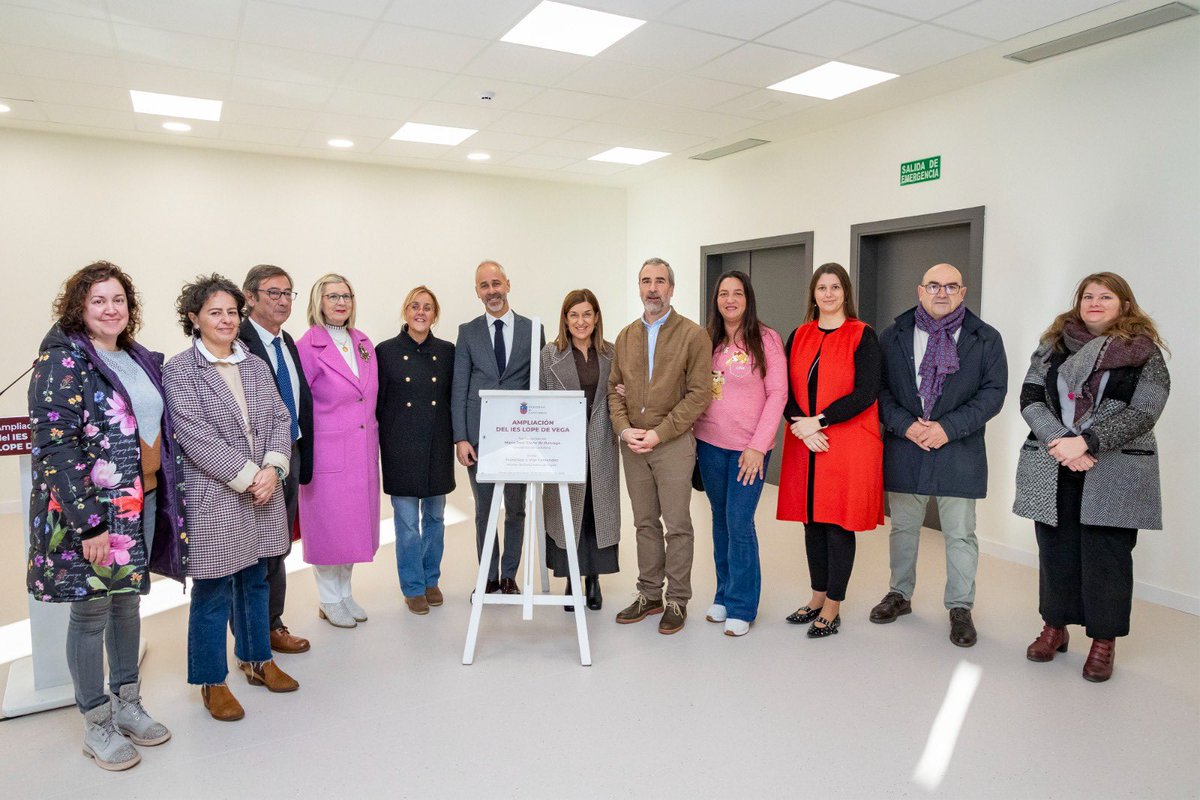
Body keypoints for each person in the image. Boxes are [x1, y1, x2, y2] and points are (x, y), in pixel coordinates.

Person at [27, 261, 186, 770]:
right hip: (95, 512)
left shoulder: (134, 356)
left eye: (118, 299)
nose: (110, 308)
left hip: (142, 499)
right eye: (98, 300)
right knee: (92, 611)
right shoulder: (63, 360)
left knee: (127, 605)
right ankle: (96, 721)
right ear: (79, 306)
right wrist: (89, 524)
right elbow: (55, 448)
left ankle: (128, 703)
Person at [1014, 272, 1169, 682]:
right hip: (1053, 460)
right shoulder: (1053, 345)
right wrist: (1063, 441)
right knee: (1055, 550)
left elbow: (1144, 412)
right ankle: (1055, 627)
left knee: (1108, 557)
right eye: (1088, 296)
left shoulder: (1144, 353)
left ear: (1124, 305)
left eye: (1105, 296)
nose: (1095, 302)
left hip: (1114, 466)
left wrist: (1087, 443)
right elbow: (1030, 398)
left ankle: (1103, 641)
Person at [163, 274, 299, 723]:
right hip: (215, 497)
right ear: (194, 318)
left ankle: (258, 660)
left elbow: (280, 418)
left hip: (263, 492)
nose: (225, 320)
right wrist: (249, 476)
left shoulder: (254, 364)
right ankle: (211, 681)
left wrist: (274, 468)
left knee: (256, 581)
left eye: (230, 312)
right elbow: (194, 436)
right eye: (214, 312)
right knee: (213, 589)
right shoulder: (180, 370)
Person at [870, 263, 1008, 647]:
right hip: (906, 445)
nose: (941, 292)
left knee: (961, 534)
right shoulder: (893, 335)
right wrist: (908, 426)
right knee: (903, 528)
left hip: (959, 449)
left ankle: (960, 607)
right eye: (934, 285)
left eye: (951, 286)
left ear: (963, 293)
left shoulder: (986, 338)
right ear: (920, 290)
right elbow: (878, 391)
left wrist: (947, 428)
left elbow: (993, 393)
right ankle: (899, 594)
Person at [777, 263, 883, 638]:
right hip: (806, 440)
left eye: (835, 287)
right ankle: (817, 595)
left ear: (845, 293)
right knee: (812, 521)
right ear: (813, 294)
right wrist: (800, 426)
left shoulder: (862, 334)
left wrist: (818, 421)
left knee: (837, 522)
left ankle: (834, 605)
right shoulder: (799, 335)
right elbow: (782, 389)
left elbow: (866, 391)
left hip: (845, 441)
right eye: (821, 287)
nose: (828, 294)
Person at [609, 257, 711, 635]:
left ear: (672, 288)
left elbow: (700, 395)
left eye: (660, 281)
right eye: (646, 281)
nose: (653, 288)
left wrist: (659, 433)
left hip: (671, 444)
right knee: (644, 523)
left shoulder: (693, 335)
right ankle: (649, 594)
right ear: (639, 287)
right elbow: (613, 391)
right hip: (634, 445)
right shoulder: (625, 337)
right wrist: (624, 429)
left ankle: (677, 600)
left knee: (678, 524)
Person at [692, 271, 786, 637]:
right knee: (719, 520)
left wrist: (757, 447)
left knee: (739, 522)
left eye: (737, 293)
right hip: (710, 445)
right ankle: (724, 594)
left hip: (748, 451)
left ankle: (743, 606)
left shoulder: (766, 340)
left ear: (748, 298)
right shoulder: (708, 340)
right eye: (723, 294)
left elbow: (778, 395)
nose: (729, 300)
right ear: (715, 300)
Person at [451, 260, 542, 595]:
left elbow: (538, 385)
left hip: (520, 438)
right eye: (484, 286)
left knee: (516, 509)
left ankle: (509, 575)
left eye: (496, 283)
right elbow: (459, 387)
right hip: (479, 437)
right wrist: (460, 437)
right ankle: (488, 577)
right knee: (485, 511)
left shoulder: (533, 329)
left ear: (508, 284)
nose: (492, 291)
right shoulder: (467, 332)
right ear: (477, 292)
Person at [295, 273, 380, 628]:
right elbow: (298, 403)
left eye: (346, 295)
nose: (341, 302)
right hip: (328, 452)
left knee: (353, 528)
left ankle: (345, 594)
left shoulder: (362, 341)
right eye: (332, 296)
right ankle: (329, 600)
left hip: (361, 451)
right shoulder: (307, 346)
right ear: (319, 302)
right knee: (329, 529)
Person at [238, 264, 312, 655]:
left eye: (288, 293)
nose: (283, 301)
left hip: (290, 453)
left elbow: (300, 404)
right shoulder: (239, 344)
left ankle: (271, 622)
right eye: (273, 293)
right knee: (252, 548)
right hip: (256, 463)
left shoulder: (287, 343)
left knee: (277, 543)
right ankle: (252, 631)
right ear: (250, 297)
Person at [540, 289, 621, 612]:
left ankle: (594, 579)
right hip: (565, 444)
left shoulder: (612, 353)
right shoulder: (550, 354)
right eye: (574, 315)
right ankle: (572, 579)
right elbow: (542, 399)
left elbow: (620, 394)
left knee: (594, 511)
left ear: (596, 317)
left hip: (601, 441)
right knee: (568, 510)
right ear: (565, 319)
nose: (581, 321)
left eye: (587, 314)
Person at [377, 286, 455, 615]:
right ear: (405, 312)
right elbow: (378, 405)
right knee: (407, 523)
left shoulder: (449, 351)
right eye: (414, 306)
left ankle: (430, 578)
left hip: (437, 444)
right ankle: (412, 586)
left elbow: (454, 398)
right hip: (400, 447)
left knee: (435, 518)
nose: (420, 312)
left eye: (427, 307)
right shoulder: (385, 351)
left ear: (435, 314)